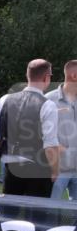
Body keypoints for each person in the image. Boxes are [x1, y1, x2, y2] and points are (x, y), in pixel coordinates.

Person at [0, 59, 60, 198]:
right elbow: (50, 145)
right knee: (37, 210)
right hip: (38, 168)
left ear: (28, 75)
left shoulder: (4, 100)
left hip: (11, 164)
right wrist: (55, 170)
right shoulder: (48, 105)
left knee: (9, 208)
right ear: (46, 77)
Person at [46, 59, 77, 201]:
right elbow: (38, 133)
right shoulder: (48, 100)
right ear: (74, 76)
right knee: (49, 210)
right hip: (57, 169)